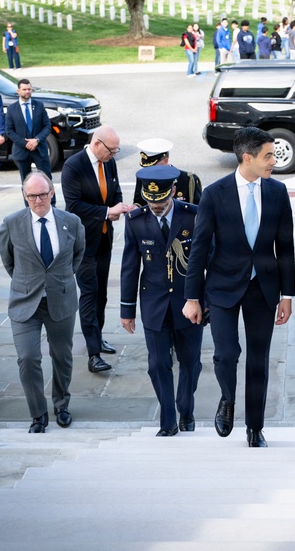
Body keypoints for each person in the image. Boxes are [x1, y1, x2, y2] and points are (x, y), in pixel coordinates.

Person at [183, 127, 295, 448]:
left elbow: (286, 247)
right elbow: (199, 249)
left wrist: (287, 294)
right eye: (269, 156)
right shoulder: (214, 194)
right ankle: (227, 400)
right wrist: (192, 296)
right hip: (221, 288)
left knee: (259, 360)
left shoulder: (277, 192)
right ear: (248, 158)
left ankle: (255, 428)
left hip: (263, 288)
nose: (274, 160)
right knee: (226, 354)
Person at [0, 172, 85, 432]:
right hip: (26, 303)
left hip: (61, 300)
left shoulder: (71, 221)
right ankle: (38, 414)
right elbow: (9, 261)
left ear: (52, 193)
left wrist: (59, 279)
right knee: (28, 358)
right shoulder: (12, 223)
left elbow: (78, 255)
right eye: (32, 196)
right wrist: (30, 282)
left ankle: (61, 405)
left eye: (43, 194)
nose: (38, 200)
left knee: (62, 356)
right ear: (25, 197)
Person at [120, 165, 203, 436]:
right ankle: (167, 421)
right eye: (150, 200)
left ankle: (185, 408)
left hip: (188, 303)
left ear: (174, 192)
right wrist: (127, 309)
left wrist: (208, 301)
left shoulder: (193, 216)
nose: (155, 205)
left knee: (190, 362)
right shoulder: (135, 220)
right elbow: (130, 267)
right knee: (157, 365)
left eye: (161, 200)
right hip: (154, 303)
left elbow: (209, 261)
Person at [61, 126, 131, 374]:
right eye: (112, 150)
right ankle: (93, 354)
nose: (115, 154)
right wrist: (105, 212)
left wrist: (119, 207)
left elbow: (115, 189)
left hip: (103, 239)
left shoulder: (108, 162)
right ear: (97, 144)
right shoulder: (74, 166)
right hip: (83, 243)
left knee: (101, 293)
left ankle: (98, 337)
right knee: (89, 293)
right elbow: (74, 206)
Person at [5, 78, 52, 190]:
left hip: (39, 148)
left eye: (29, 89)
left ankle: (51, 204)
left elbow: (47, 126)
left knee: (46, 179)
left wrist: (36, 140)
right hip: (22, 150)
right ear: (18, 91)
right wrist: (25, 143)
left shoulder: (39, 106)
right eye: (24, 89)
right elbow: (9, 130)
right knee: (26, 182)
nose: (27, 92)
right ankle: (28, 205)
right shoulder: (12, 109)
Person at [133, 138, 203, 206]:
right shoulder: (144, 176)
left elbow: (198, 209)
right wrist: (134, 208)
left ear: (165, 161)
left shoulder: (188, 180)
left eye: (153, 166)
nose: (149, 170)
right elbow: (139, 202)